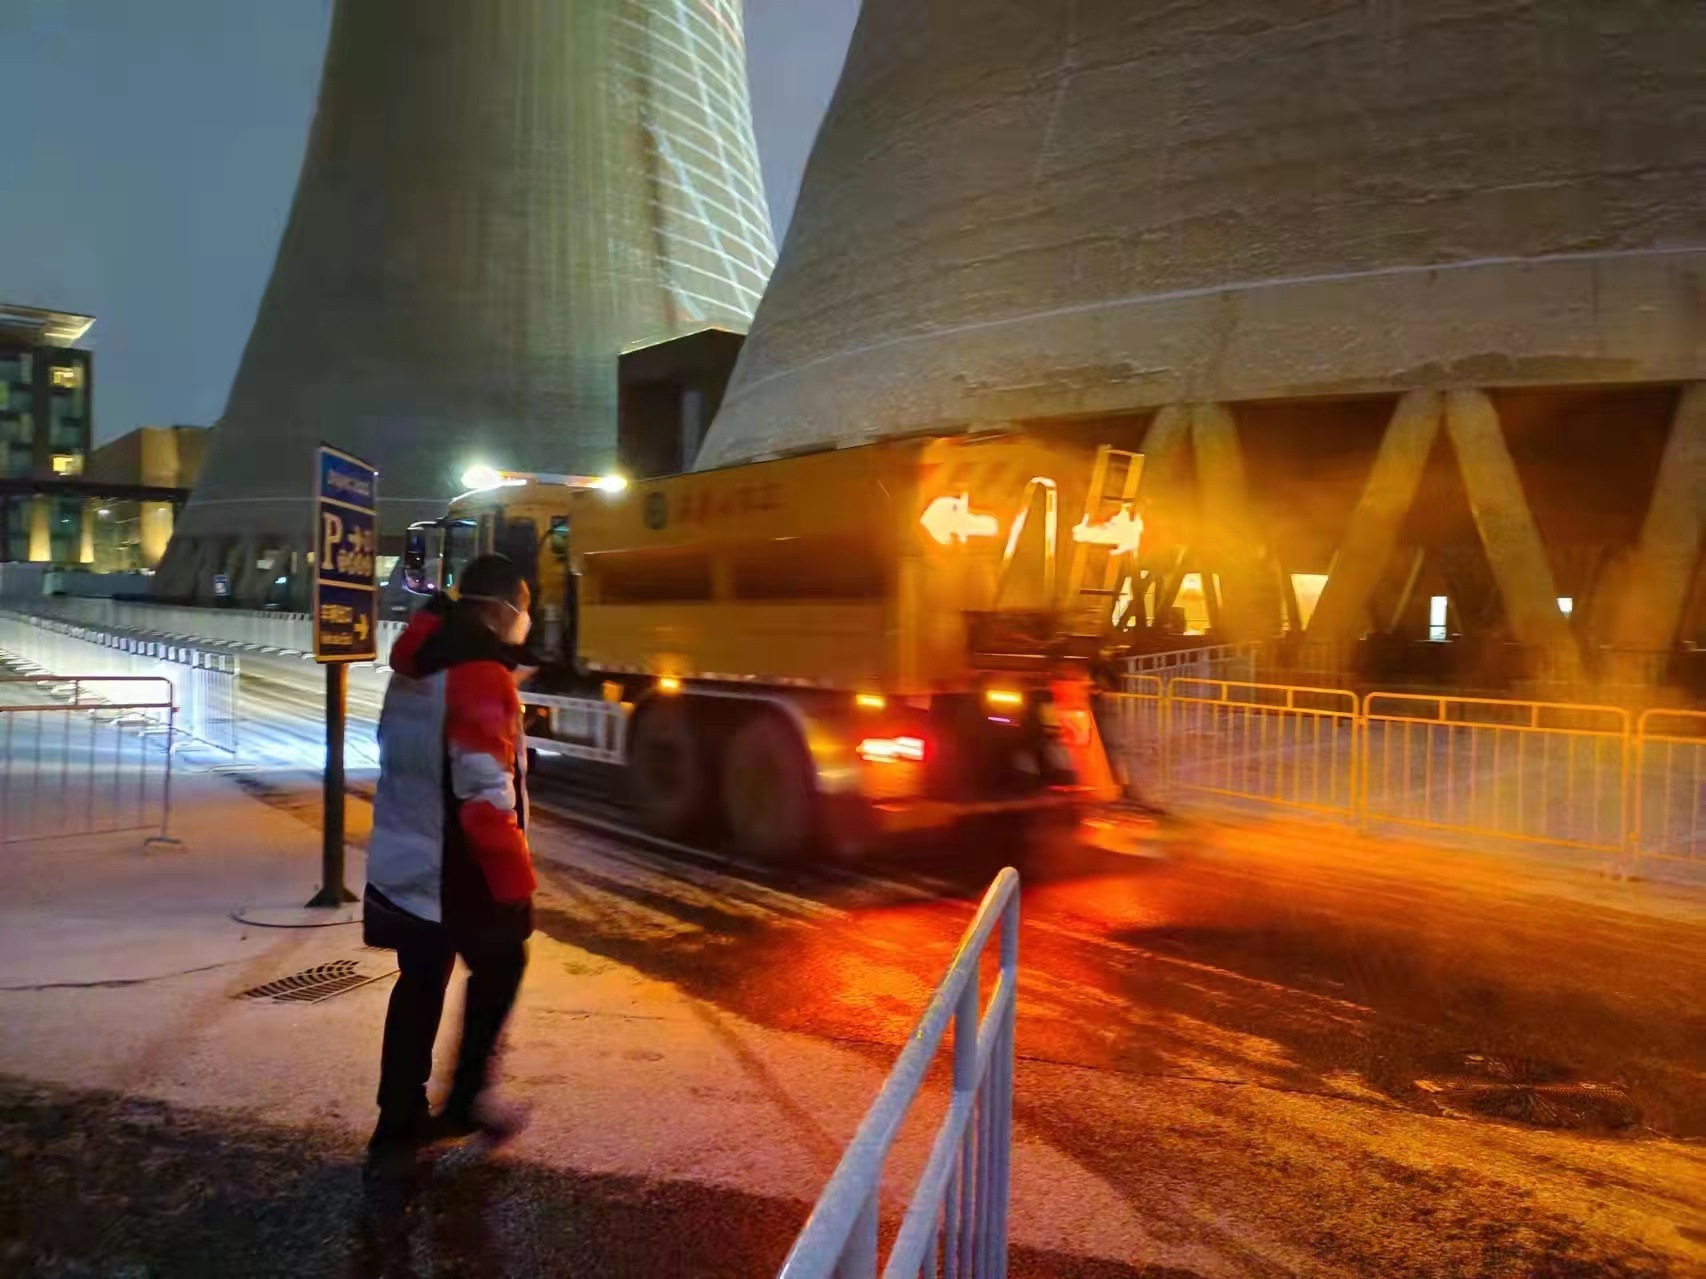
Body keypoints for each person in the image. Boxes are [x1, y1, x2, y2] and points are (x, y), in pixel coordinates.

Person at [362, 553, 537, 1170]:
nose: (528, 622)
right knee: (503, 962)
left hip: (408, 853)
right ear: (499, 610)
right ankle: (464, 1101)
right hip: (460, 866)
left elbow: (397, 751)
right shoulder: (481, 674)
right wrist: (514, 883)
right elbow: (485, 791)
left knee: (422, 977)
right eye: (525, 609)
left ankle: (398, 1115)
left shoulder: (415, 669)